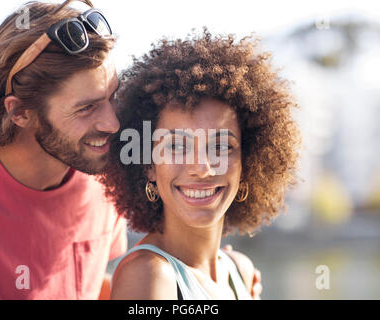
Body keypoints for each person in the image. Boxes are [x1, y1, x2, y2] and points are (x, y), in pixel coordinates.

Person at [101, 30, 300, 299]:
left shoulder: (239, 272)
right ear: (148, 165)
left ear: (247, 163)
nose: (202, 168)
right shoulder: (149, 276)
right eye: (176, 147)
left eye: (221, 147)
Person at [0, 0, 127, 299]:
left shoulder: (106, 183)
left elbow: (93, 287)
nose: (113, 123)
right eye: (86, 108)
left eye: (113, 96)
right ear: (20, 112)